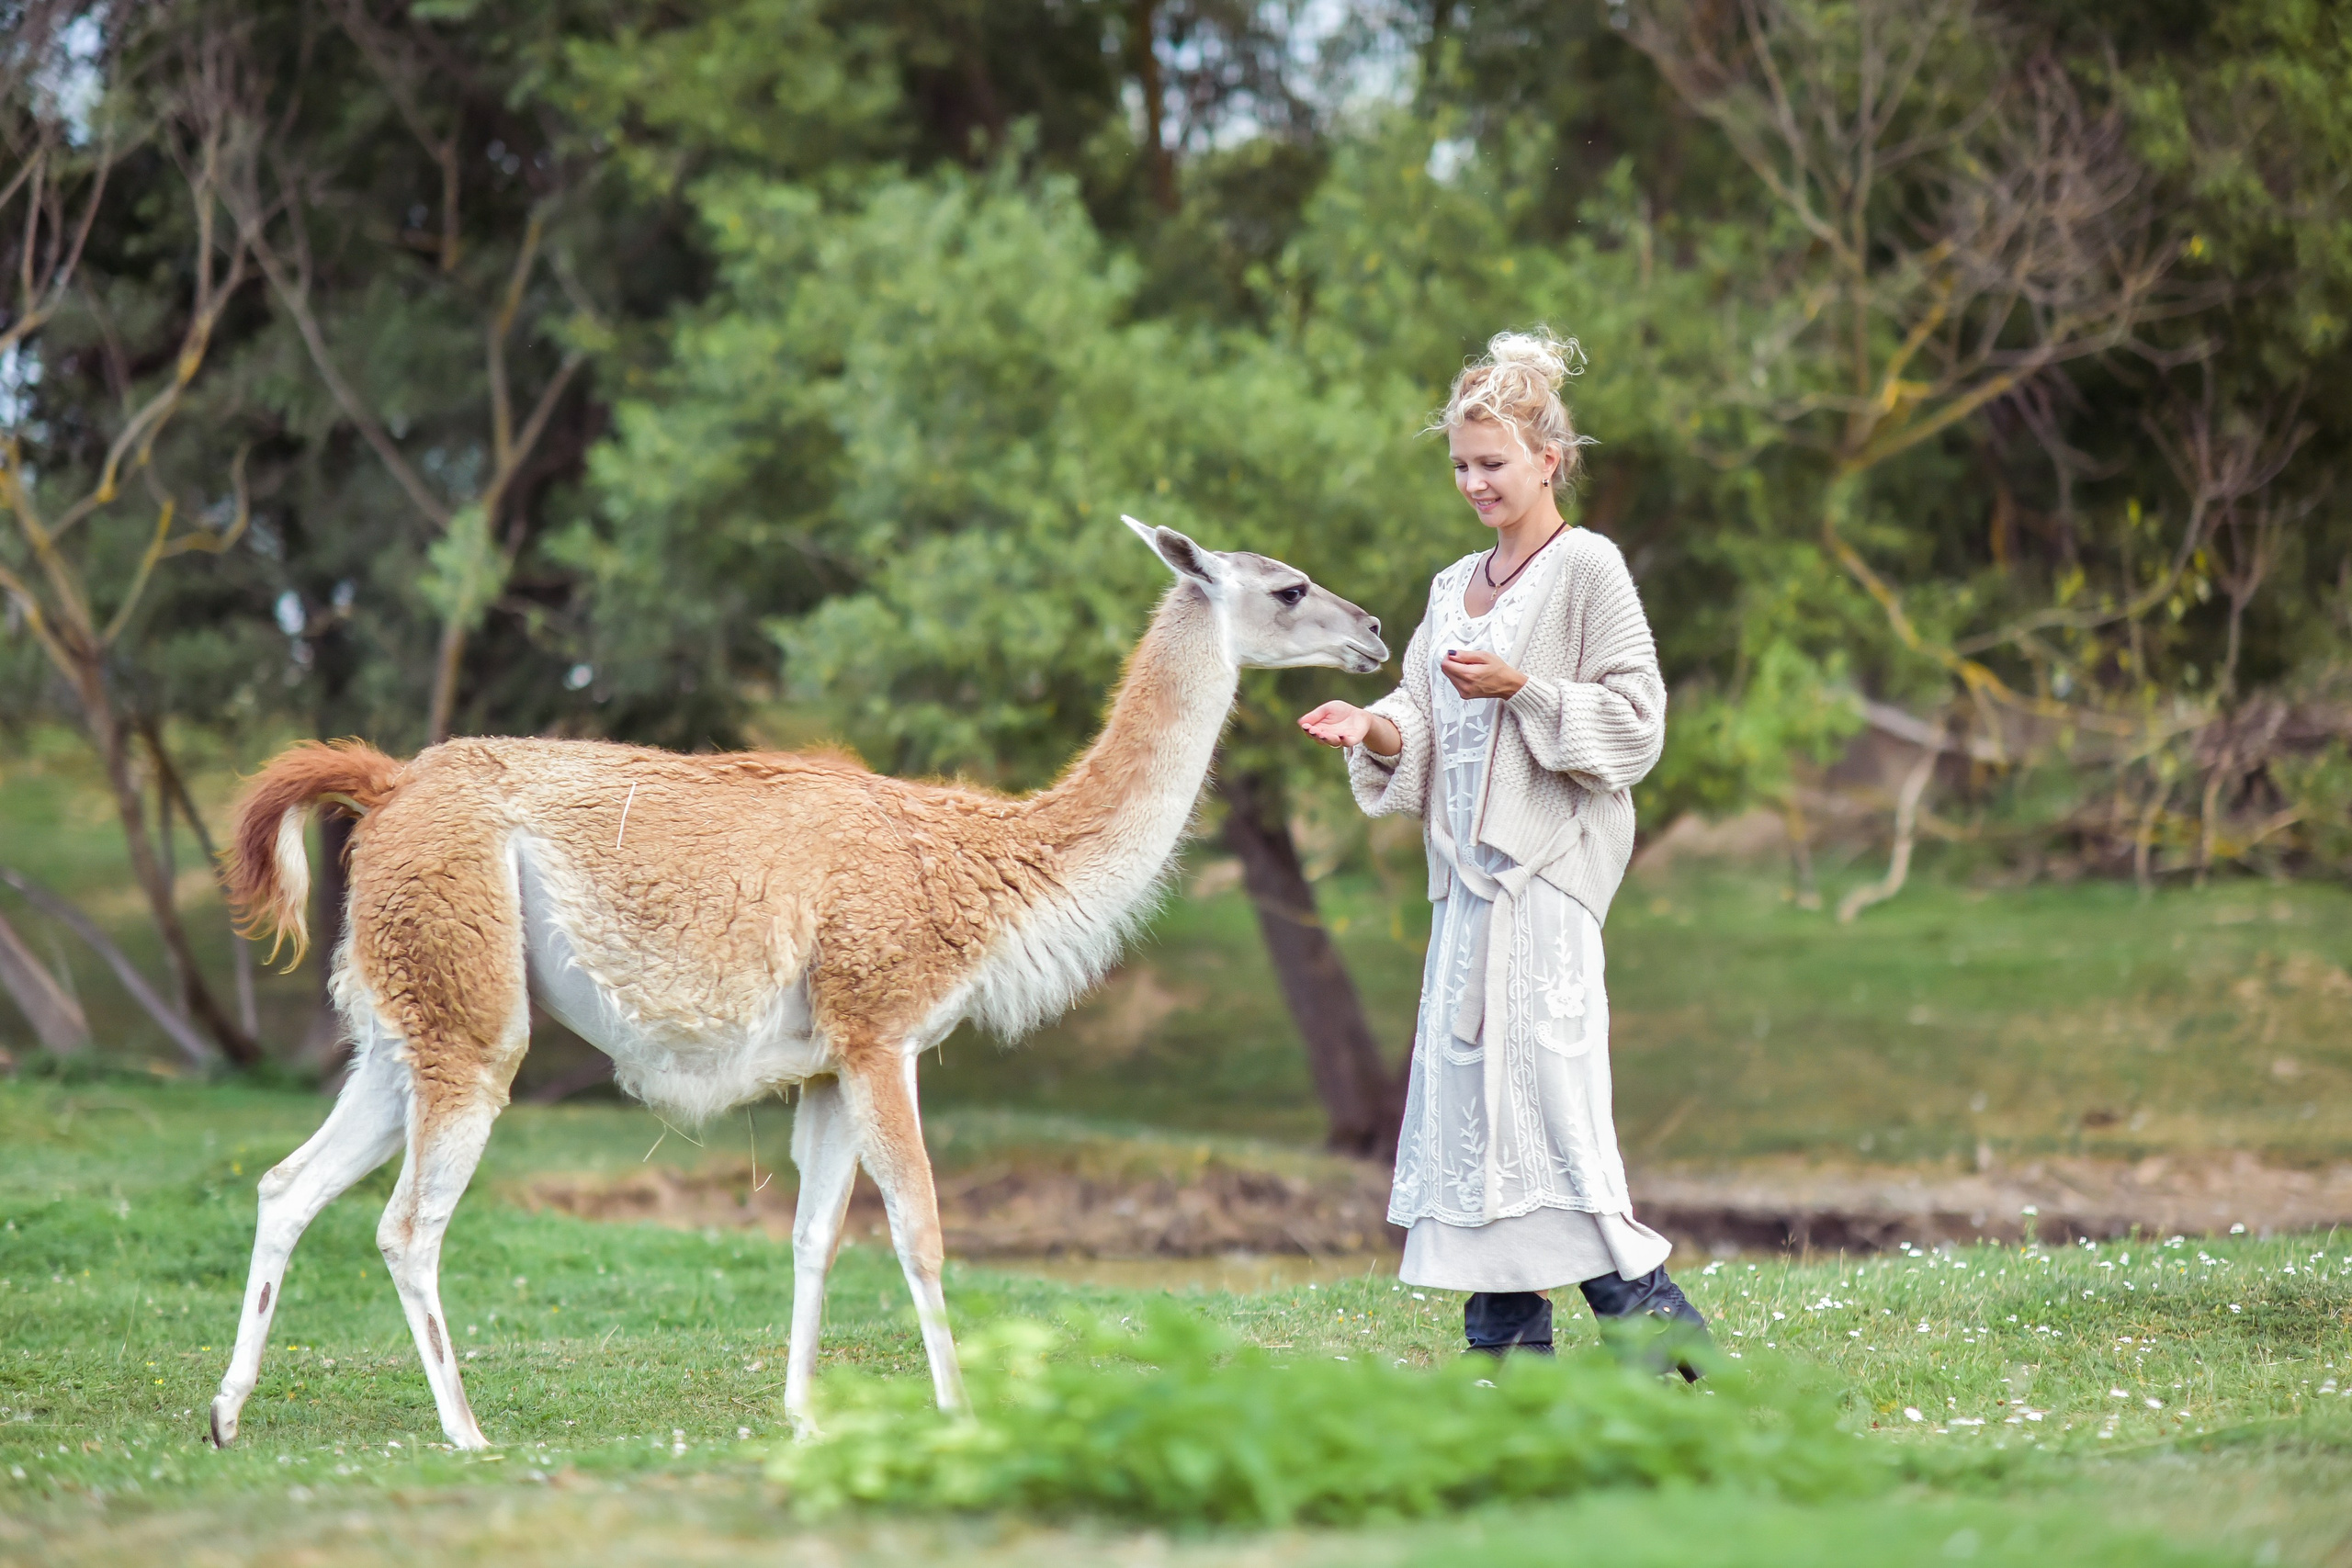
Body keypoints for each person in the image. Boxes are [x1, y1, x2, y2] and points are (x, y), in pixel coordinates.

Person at [1297, 329, 1711, 1373]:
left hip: (1545, 882)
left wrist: (1523, 689)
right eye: (1461, 466)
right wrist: (1376, 728)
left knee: (1553, 1112)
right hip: (1467, 897)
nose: (1475, 483)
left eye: (1493, 464)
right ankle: (1506, 1362)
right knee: (1474, 1118)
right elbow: (1424, 712)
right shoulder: (1451, 585)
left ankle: (1667, 1349)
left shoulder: (1587, 569)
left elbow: (1636, 724)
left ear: (1546, 461)